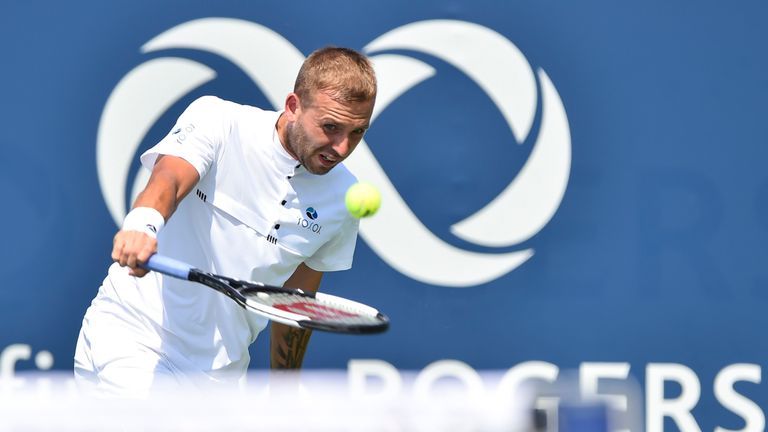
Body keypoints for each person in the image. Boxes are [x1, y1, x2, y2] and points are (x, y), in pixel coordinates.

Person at [74, 47, 377, 396]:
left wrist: (285, 392)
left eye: (357, 132)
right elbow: (168, 179)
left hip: (220, 379)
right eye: (330, 127)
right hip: (134, 339)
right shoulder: (220, 121)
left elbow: (295, 301)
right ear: (293, 106)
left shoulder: (343, 198)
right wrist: (143, 225)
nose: (341, 147)